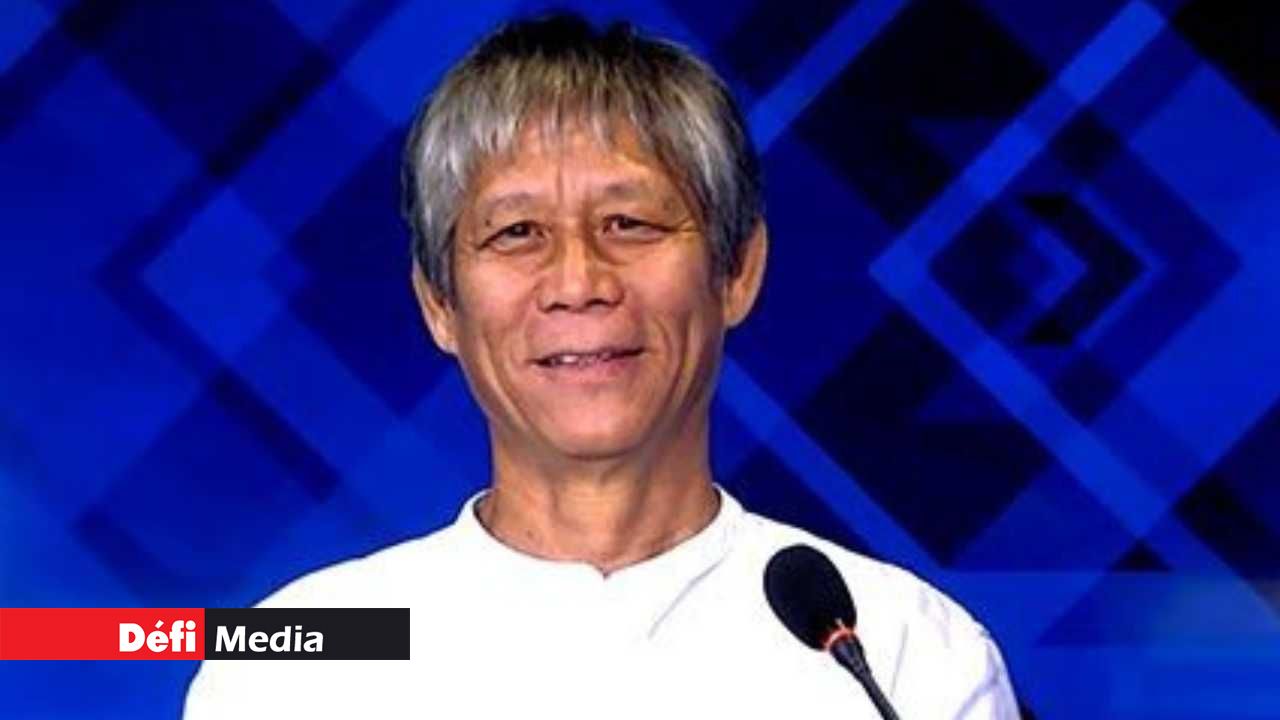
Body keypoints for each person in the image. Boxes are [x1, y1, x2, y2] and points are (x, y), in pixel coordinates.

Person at [185, 13, 1019, 719]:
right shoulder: (304, 660)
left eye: (631, 224)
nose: (578, 282)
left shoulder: (903, 651)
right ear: (439, 302)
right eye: (517, 233)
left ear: (738, 270)